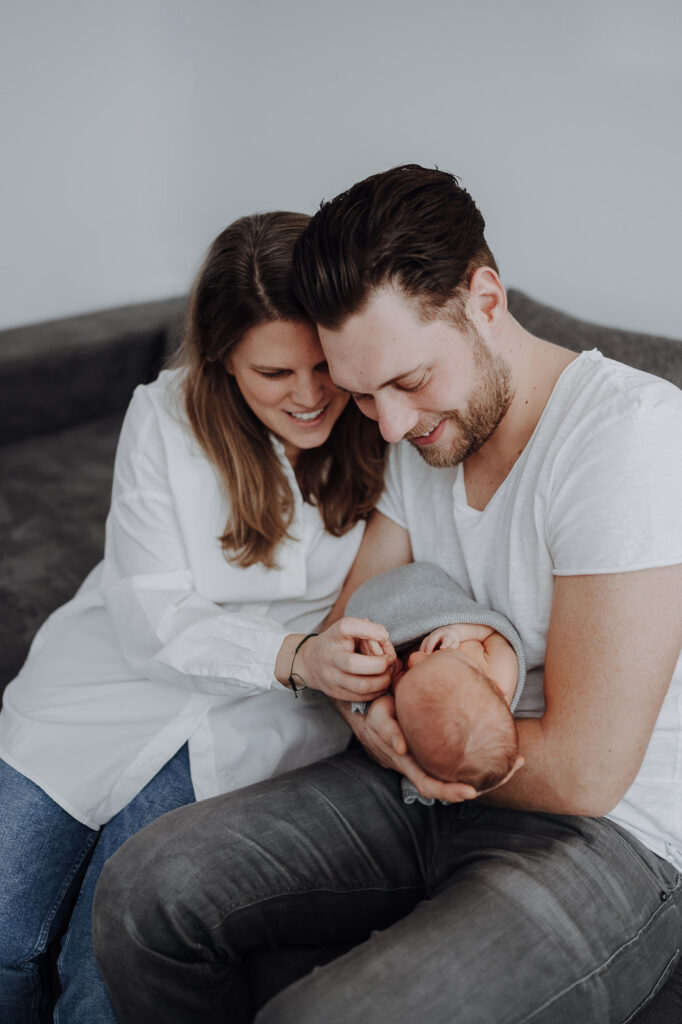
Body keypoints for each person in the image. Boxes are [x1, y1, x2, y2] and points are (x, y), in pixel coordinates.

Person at [92, 166, 682, 1024]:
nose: (391, 426)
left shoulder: (626, 439)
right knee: (146, 891)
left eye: (407, 382)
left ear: (484, 299)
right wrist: (386, 725)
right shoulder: (418, 437)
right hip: (419, 776)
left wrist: (397, 734)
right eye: (362, 392)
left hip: (609, 834)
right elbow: (350, 632)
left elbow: (584, 772)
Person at [0, 211, 392, 1024]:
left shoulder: (384, 421)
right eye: (275, 373)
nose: (313, 395)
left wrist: (318, 666)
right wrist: (294, 654)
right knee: (4, 933)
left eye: (325, 365)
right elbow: (153, 618)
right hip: (112, 678)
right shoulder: (166, 415)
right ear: (221, 359)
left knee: (100, 972)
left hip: (259, 717)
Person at [345, 560, 525, 794]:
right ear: (496, 688)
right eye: (435, 658)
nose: (414, 659)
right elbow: (493, 630)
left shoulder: (410, 707)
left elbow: (388, 684)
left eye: (408, 676)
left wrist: (391, 669)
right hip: (432, 604)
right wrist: (459, 630)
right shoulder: (500, 669)